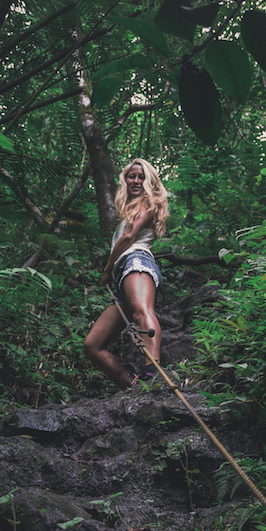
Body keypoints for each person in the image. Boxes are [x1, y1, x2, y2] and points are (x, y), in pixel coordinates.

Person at [84, 158, 169, 389]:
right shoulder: (129, 210)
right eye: (132, 176)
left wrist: (107, 269)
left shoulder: (149, 202)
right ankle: (133, 387)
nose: (136, 181)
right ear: (125, 179)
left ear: (149, 181)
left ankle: (153, 370)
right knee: (92, 345)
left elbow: (129, 238)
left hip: (136, 263)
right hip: (124, 274)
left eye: (142, 177)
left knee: (143, 311)